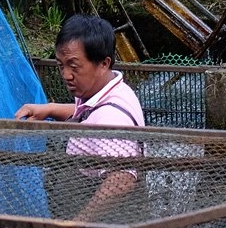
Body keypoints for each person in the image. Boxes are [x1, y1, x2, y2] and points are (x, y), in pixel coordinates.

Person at [15, 14, 144, 220]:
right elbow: (87, 114)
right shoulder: (108, 91)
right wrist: (50, 109)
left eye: (74, 66)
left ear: (103, 63)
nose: (66, 75)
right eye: (61, 65)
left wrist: (80, 222)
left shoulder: (112, 119)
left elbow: (122, 179)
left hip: (103, 217)